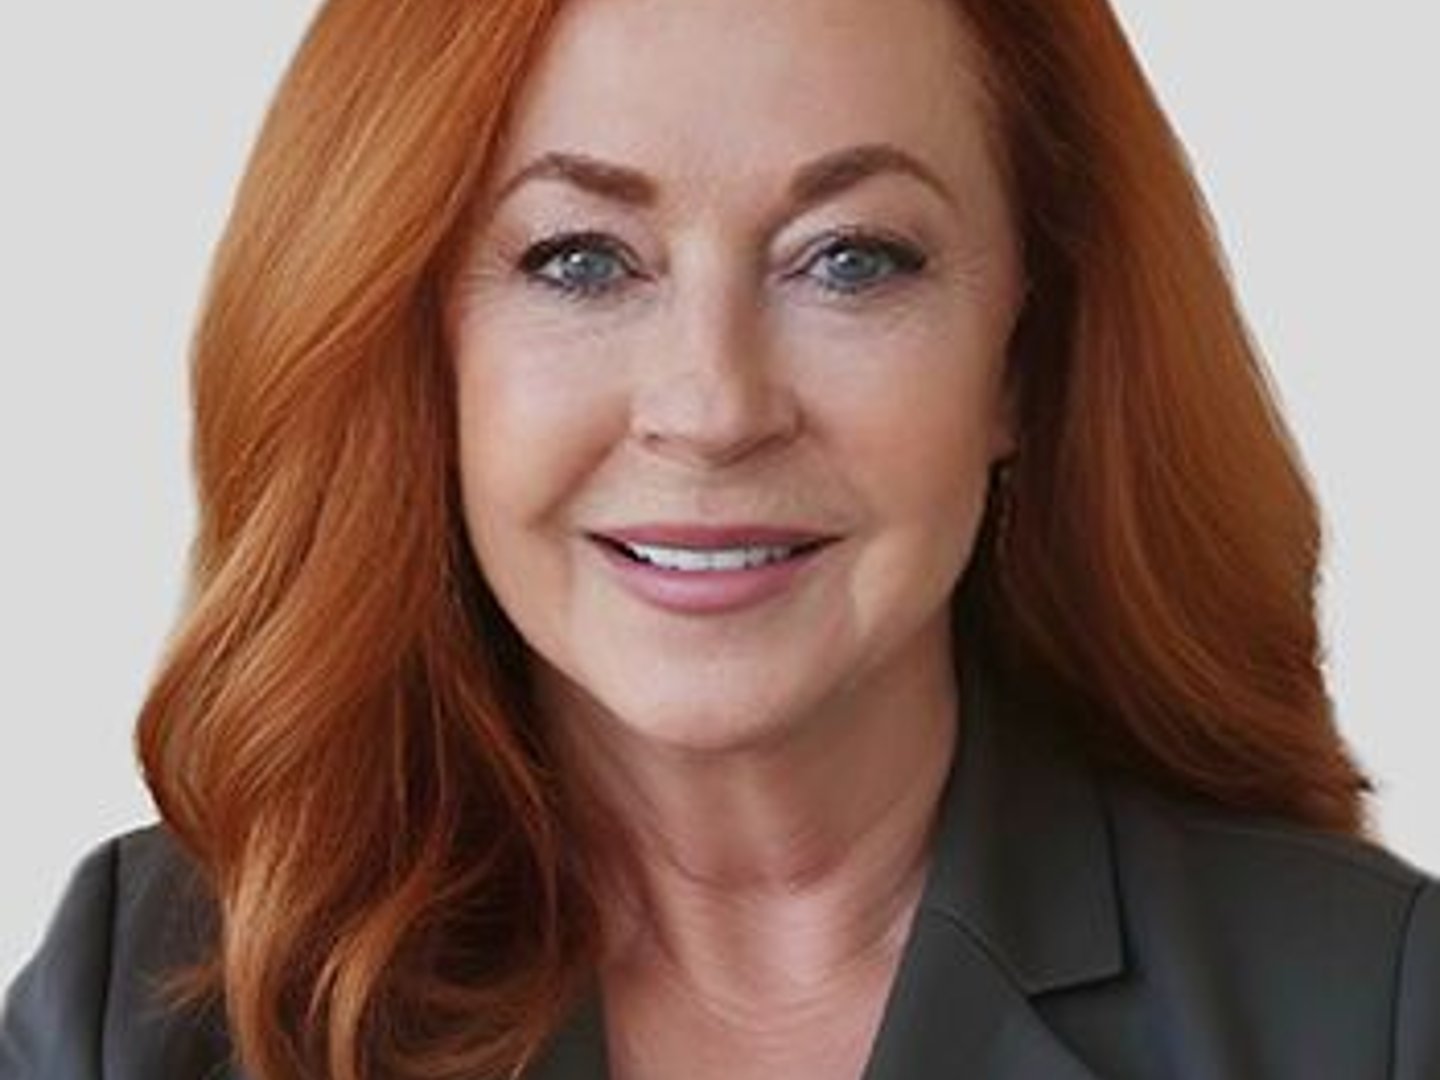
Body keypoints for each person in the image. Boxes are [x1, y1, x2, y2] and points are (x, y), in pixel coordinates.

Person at [2, 0, 1437, 1077]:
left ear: (1022, 357)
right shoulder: (142, 1010)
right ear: (417, 350)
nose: (713, 409)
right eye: (579, 259)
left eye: (852, 258)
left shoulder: (1369, 1009)